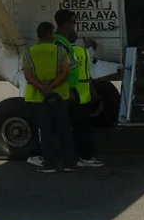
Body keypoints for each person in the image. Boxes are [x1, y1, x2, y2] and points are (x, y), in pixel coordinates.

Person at [42, 10, 102, 168]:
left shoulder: (64, 42)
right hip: (67, 90)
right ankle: (80, 158)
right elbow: (61, 68)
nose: (75, 25)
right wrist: (68, 90)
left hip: (73, 89)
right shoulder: (60, 42)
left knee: (75, 125)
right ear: (66, 23)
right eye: (73, 22)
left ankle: (76, 156)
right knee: (76, 125)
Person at [23, 22, 75, 173]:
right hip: (60, 95)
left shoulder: (29, 52)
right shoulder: (59, 51)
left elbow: (28, 76)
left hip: (39, 98)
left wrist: (42, 89)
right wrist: (52, 87)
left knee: (44, 132)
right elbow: (65, 73)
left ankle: (49, 164)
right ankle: (69, 164)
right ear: (49, 34)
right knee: (64, 130)